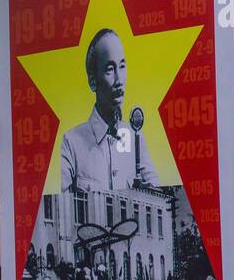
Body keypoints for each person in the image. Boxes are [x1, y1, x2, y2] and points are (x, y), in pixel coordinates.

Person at [59, 29, 159, 193]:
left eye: (122, 66)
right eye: (109, 69)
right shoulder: (71, 144)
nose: (119, 81)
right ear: (93, 82)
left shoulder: (135, 139)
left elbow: (157, 194)